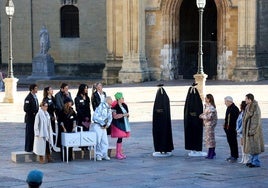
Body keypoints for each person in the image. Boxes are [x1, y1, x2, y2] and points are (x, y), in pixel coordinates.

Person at [243, 93, 265, 168]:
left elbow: (256, 120)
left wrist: (252, 131)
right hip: (248, 130)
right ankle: (252, 161)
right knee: (251, 147)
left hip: (254, 131)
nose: (245, 100)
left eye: (246, 98)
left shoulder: (255, 107)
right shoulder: (248, 106)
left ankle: (256, 162)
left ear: (249, 99)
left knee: (255, 146)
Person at [152, 84, 174, 155]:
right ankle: (164, 149)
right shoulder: (166, 98)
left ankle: (161, 148)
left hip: (159, 121)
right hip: (164, 121)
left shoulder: (159, 99)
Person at [184, 83, 204, 157]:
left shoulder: (189, 101)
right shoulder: (197, 100)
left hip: (192, 122)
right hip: (195, 122)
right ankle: (195, 148)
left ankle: (193, 148)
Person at [91, 96, 113, 161]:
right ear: (107, 101)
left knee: (105, 141)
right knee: (98, 140)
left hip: (104, 127)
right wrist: (102, 123)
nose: (111, 102)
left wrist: (107, 124)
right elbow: (95, 117)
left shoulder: (109, 108)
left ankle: (104, 154)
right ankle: (98, 154)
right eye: (110, 101)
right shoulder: (100, 107)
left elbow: (110, 117)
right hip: (98, 126)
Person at [111, 92, 130, 160]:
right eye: (122, 98)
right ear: (118, 99)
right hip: (117, 124)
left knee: (121, 138)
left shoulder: (124, 105)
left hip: (124, 123)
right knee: (120, 137)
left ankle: (119, 153)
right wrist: (123, 115)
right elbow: (115, 116)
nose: (123, 99)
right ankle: (117, 153)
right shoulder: (115, 107)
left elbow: (127, 113)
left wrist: (126, 115)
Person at [199, 94, 218, 159]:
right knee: (208, 139)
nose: (205, 99)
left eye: (206, 98)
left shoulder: (211, 108)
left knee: (210, 140)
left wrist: (201, 116)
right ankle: (211, 152)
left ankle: (211, 153)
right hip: (207, 125)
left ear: (209, 99)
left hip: (210, 125)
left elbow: (209, 117)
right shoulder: (207, 106)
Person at [75, 84, 91, 150]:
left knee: (87, 131)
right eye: (85, 88)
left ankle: (86, 145)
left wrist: (89, 117)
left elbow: (88, 108)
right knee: (81, 131)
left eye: (87, 88)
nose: (86, 90)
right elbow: (78, 109)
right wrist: (83, 117)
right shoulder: (77, 98)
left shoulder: (87, 98)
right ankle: (82, 146)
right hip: (81, 118)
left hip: (87, 117)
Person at [224, 96, 240, 163]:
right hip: (228, 129)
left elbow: (235, 120)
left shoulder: (234, 108)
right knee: (230, 142)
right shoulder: (229, 108)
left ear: (229, 101)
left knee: (233, 142)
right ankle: (232, 155)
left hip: (232, 129)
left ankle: (235, 156)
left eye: (225, 102)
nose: (225, 103)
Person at [24, 84, 39, 152]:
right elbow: (26, 109)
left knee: (33, 133)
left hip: (35, 118)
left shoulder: (35, 96)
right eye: (35, 88)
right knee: (29, 133)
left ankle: (33, 147)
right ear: (32, 90)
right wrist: (33, 112)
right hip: (30, 118)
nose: (37, 90)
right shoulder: (28, 98)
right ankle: (28, 148)